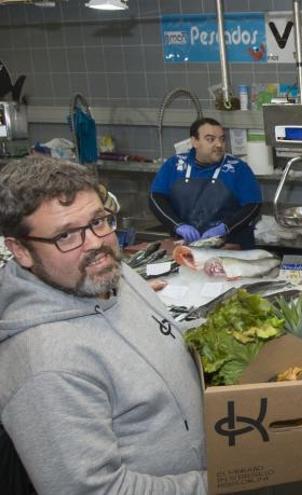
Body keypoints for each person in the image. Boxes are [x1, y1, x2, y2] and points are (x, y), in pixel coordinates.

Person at [0, 156, 207, 494]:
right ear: (20, 251)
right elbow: (97, 491)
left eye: (99, 220)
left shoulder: (105, 273)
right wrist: (216, 485)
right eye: (66, 235)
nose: (96, 243)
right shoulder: (45, 367)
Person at [150, 117, 262, 248]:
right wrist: (178, 225)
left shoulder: (238, 168)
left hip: (230, 246)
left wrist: (225, 228)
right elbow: (156, 198)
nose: (219, 144)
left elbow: (253, 205)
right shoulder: (174, 164)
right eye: (210, 139)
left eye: (222, 139)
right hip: (186, 246)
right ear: (195, 141)